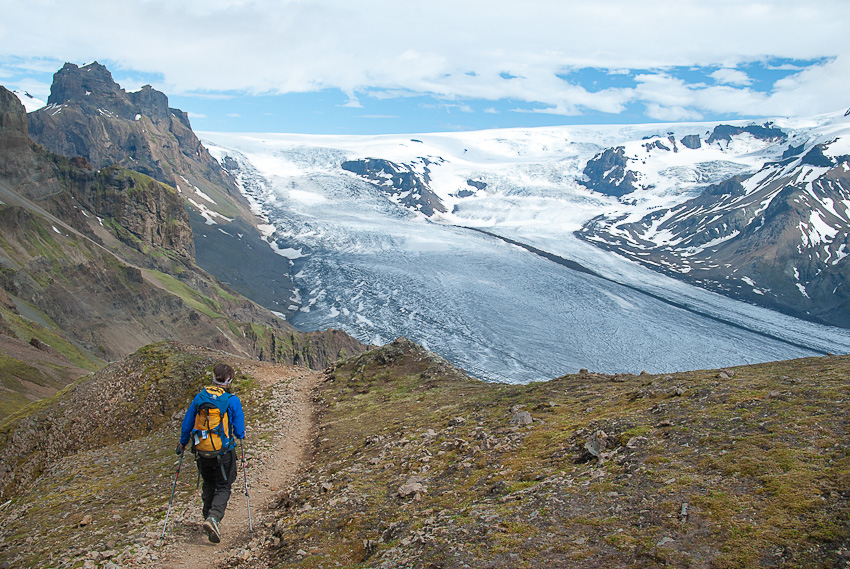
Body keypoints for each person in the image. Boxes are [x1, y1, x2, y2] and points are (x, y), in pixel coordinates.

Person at [176, 363, 245, 543]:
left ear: (213, 377)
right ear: (229, 381)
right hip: (223, 452)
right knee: (224, 485)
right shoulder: (231, 400)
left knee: (208, 483)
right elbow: (239, 430)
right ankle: (213, 518)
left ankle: (207, 515)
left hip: (202, 451)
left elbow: (187, 423)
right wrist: (240, 436)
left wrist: (183, 443)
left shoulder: (200, 397)